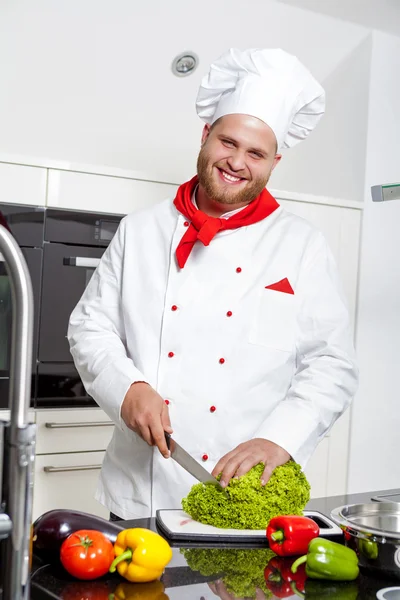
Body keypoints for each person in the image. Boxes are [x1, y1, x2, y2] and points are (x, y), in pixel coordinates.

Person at [68, 48, 358, 520]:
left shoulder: (302, 244)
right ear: (206, 135)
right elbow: (89, 327)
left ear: (273, 162)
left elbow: (332, 364)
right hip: (142, 490)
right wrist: (127, 388)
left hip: (241, 496)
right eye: (228, 142)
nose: (237, 162)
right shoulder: (141, 230)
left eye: (256, 153)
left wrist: (278, 439)